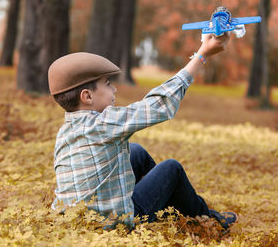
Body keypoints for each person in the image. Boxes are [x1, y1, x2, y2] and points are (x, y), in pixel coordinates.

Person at [48, 33, 237, 232]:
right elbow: (158, 105)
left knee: (136, 152)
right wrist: (202, 55)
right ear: (87, 96)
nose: (114, 90)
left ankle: (172, 207)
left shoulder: (66, 130)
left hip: (75, 218)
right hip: (113, 224)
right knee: (172, 169)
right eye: (107, 84)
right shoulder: (103, 124)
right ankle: (205, 220)